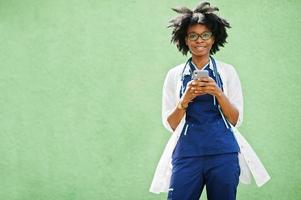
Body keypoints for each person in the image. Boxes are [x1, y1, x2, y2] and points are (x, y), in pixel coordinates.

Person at [149, 2, 270, 200]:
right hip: (186, 154)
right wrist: (184, 99)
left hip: (223, 154)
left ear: (214, 39)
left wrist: (218, 93)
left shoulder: (228, 72)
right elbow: (170, 124)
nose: (199, 40)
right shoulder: (174, 75)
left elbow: (235, 119)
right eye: (193, 35)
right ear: (185, 40)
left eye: (205, 35)